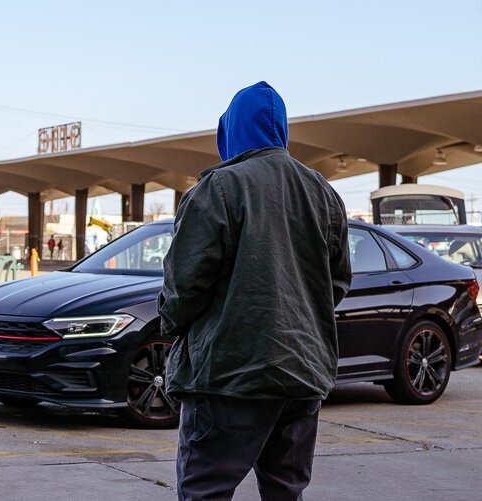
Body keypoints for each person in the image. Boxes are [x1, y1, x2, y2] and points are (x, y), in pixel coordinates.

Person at [158, 82, 351, 501]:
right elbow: (335, 284)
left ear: (231, 130)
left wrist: (172, 325)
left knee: (205, 489)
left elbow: (184, 288)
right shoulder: (324, 193)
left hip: (230, 376)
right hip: (303, 374)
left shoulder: (218, 189)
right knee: (286, 491)